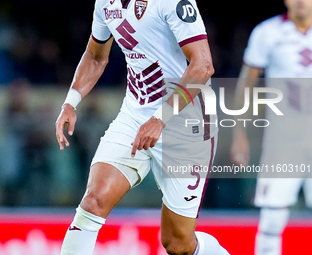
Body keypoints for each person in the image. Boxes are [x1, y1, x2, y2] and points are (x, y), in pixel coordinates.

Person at [55, 0, 229, 254]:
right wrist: (70, 103)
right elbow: (95, 55)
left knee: (177, 243)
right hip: (135, 116)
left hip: (187, 123)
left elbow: (203, 65)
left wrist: (161, 118)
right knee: (93, 201)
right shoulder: (105, 3)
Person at [231, 0, 312, 254]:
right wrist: (238, 132)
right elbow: (247, 83)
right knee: (272, 219)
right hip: (283, 141)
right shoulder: (267, 32)